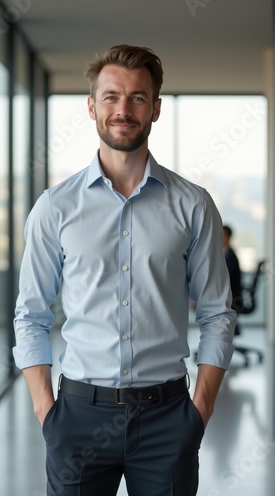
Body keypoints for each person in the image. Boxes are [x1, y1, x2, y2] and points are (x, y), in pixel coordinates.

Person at [13, 44, 236, 496]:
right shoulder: (55, 208)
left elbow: (217, 313)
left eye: (137, 97)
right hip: (76, 418)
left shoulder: (192, 205)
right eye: (111, 96)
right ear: (92, 106)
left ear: (155, 109)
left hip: (168, 419)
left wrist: (201, 410)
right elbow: (30, 316)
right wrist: (46, 412)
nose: (123, 109)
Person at [223, 224, 243, 333]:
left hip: (232, 299)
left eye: (222, 235)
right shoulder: (225, 254)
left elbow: (225, 280)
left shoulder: (230, 256)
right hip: (230, 297)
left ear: (228, 237)